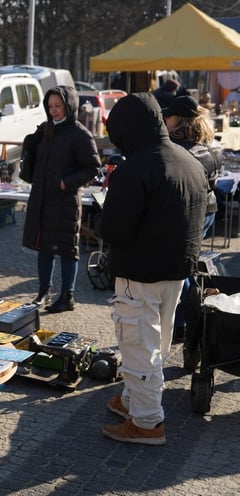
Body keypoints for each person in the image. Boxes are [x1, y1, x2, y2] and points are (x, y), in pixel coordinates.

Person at [99, 93, 208, 446]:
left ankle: (146, 423)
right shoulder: (189, 161)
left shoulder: (134, 168)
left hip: (139, 273)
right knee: (156, 342)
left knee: (138, 346)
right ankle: (133, 401)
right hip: (177, 273)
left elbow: (113, 229)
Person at [19, 85, 101, 313]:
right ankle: (43, 293)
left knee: (67, 249)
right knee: (43, 247)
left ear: (69, 106)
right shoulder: (46, 130)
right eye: (50, 106)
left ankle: (68, 296)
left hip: (65, 201)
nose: (54, 110)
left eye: (58, 106)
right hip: (43, 198)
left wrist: (68, 182)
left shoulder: (79, 133)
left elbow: (93, 167)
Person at [162, 95, 222, 345]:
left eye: (169, 116)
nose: (165, 119)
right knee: (187, 265)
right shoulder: (212, 146)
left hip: (189, 213)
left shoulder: (179, 150)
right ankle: (186, 321)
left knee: (181, 269)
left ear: (179, 120)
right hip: (207, 211)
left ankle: (185, 322)